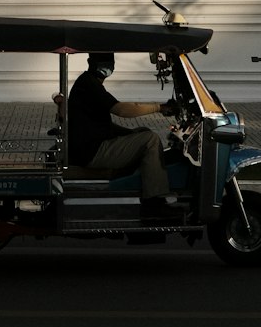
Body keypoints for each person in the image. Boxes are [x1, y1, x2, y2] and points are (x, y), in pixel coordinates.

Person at [66, 51, 177, 222]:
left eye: (109, 61)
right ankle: (153, 202)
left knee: (142, 133)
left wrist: (131, 134)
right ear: (90, 62)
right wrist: (159, 108)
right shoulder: (89, 85)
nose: (108, 65)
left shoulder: (90, 83)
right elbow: (122, 110)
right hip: (93, 151)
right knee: (151, 139)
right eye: (103, 61)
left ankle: (135, 187)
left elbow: (103, 125)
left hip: (91, 146)